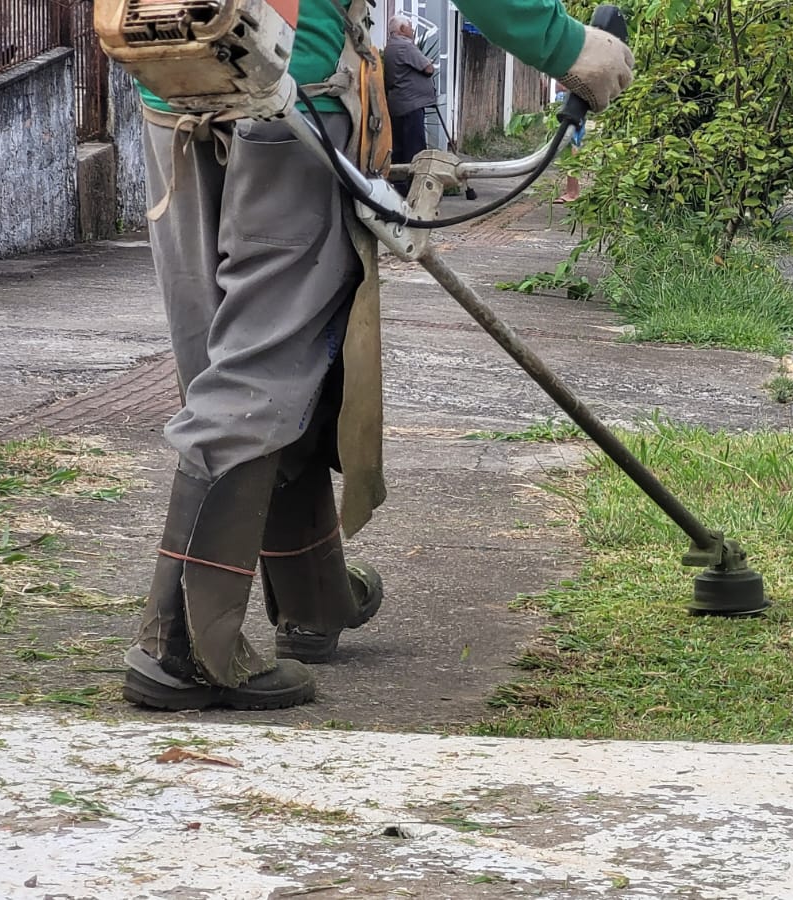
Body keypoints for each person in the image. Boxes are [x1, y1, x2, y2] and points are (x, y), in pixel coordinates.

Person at [122, 0, 635, 711]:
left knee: (236, 359)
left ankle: (313, 596)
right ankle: (179, 644)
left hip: (171, 73)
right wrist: (567, 45)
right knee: (262, 365)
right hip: (290, 91)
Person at [383, 15, 437, 197]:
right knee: (415, 148)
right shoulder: (405, 46)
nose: (413, 31)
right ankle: (415, 188)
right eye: (410, 27)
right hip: (411, 105)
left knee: (399, 148)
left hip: (398, 104)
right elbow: (428, 68)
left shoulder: (390, 46)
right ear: (402, 29)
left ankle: (398, 186)